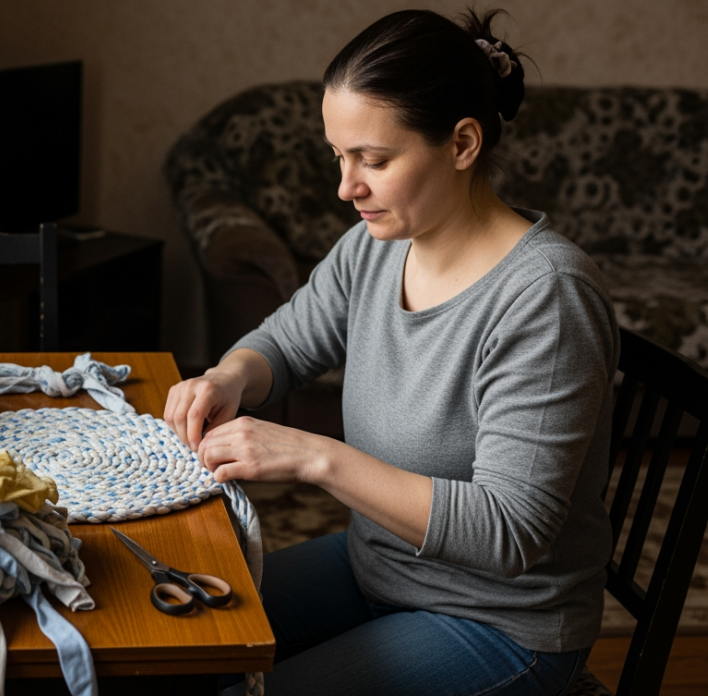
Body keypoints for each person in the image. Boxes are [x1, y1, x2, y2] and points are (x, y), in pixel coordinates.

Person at [165, 8, 619, 696]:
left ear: (463, 143)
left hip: (498, 620)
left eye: (374, 160)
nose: (348, 187)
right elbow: (286, 340)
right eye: (339, 157)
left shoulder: (545, 297)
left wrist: (317, 457)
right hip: (378, 565)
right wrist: (229, 376)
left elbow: (509, 533)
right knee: (169, 643)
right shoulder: (378, 247)